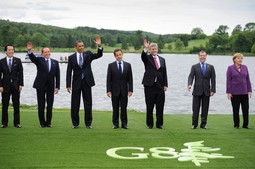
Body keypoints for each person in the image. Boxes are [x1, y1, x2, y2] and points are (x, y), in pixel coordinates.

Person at [66, 35, 103, 129]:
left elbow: (99, 55)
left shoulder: (88, 54)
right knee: (75, 104)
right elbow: (69, 71)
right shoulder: (71, 57)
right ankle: (75, 124)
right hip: (76, 83)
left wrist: (99, 47)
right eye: (79, 46)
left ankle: (88, 123)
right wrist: (68, 85)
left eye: (82, 45)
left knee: (88, 103)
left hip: (87, 82)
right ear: (76, 47)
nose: (81, 47)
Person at [27, 42, 60, 128]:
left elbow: (58, 76)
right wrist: (30, 50)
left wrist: (57, 87)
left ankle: (48, 123)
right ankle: (42, 123)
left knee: (49, 105)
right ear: (42, 53)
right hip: (40, 86)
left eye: (48, 51)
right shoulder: (39, 60)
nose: (47, 53)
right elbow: (32, 57)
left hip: (51, 87)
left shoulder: (55, 62)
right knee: (41, 105)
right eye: (45, 52)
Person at [141, 40, 168, 129]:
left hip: (160, 86)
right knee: (149, 106)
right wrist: (145, 48)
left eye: (155, 49)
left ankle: (159, 124)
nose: (154, 50)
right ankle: (150, 124)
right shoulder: (147, 58)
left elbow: (164, 73)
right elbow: (143, 56)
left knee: (160, 106)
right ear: (150, 50)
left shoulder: (162, 59)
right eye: (152, 49)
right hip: (149, 85)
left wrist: (165, 84)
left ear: (157, 49)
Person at [188, 50, 216, 129]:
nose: (202, 57)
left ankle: (203, 124)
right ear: (199, 56)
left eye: (204, 55)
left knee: (205, 109)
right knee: (195, 108)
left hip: (207, 91)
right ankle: (194, 124)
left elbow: (213, 79)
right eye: (201, 55)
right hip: (197, 90)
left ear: (206, 56)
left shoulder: (211, 67)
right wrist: (189, 84)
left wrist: (213, 90)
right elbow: (191, 77)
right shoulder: (194, 66)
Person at [106, 49, 133, 129]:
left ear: (122, 54)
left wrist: (130, 90)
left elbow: (130, 79)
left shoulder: (128, 65)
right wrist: (108, 90)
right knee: (115, 108)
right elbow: (108, 79)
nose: (119, 56)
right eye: (117, 55)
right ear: (115, 56)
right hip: (114, 90)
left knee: (124, 108)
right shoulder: (111, 65)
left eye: (120, 54)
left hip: (124, 90)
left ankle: (124, 124)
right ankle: (115, 124)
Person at [0, 44, 24, 128]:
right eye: (9, 50)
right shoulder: (1, 61)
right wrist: (0, 86)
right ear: (5, 51)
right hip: (5, 86)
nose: (11, 51)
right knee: (5, 105)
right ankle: (4, 123)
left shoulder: (18, 60)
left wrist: (21, 84)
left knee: (16, 105)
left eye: (12, 50)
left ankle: (17, 123)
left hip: (15, 86)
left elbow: (21, 73)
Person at [226, 53, 252, 129]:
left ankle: (245, 124)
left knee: (245, 109)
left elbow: (247, 79)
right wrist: (229, 92)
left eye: (241, 58)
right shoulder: (230, 68)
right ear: (234, 59)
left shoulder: (245, 67)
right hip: (234, 92)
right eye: (238, 58)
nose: (240, 60)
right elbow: (228, 81)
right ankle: (236, 124)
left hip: (244, 92)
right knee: (236, 109)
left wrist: (249, 90)